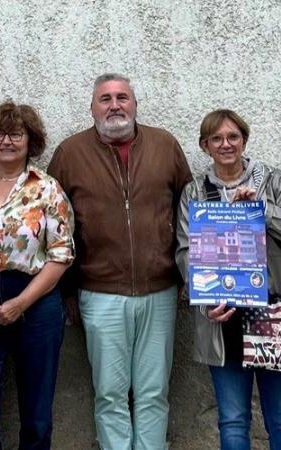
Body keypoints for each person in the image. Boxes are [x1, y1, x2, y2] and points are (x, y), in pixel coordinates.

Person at [47, 74, 192, 450]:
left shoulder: (165, 145)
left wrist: (187, 277)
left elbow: (190, 213)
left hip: (160, 291)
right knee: (110, 395)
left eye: (123, 97)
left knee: (153, 392)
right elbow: (54, 226)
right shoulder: (70, 153)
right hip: (99, 293)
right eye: (105, 98)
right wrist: (67, 291)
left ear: (135, 104)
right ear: (92, 107)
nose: (115, 105)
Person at [175, 109, 281, 450]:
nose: (226, 145)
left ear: (244, 140)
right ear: (205, 145)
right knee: (233, 421)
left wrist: (263, 210)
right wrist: (207, 300)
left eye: (233, 137)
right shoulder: (195, 192)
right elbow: (184, 252)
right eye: (217, 139)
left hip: (272, 313)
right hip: (222, 318)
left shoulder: (273, 181)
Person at [0, 101, 75, 450]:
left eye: (15, 134)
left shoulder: (47, 188)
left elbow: (62, 254)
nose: (6, 141)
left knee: (37, 414)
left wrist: (21, 303)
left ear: (31, 140)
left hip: (36, 302)